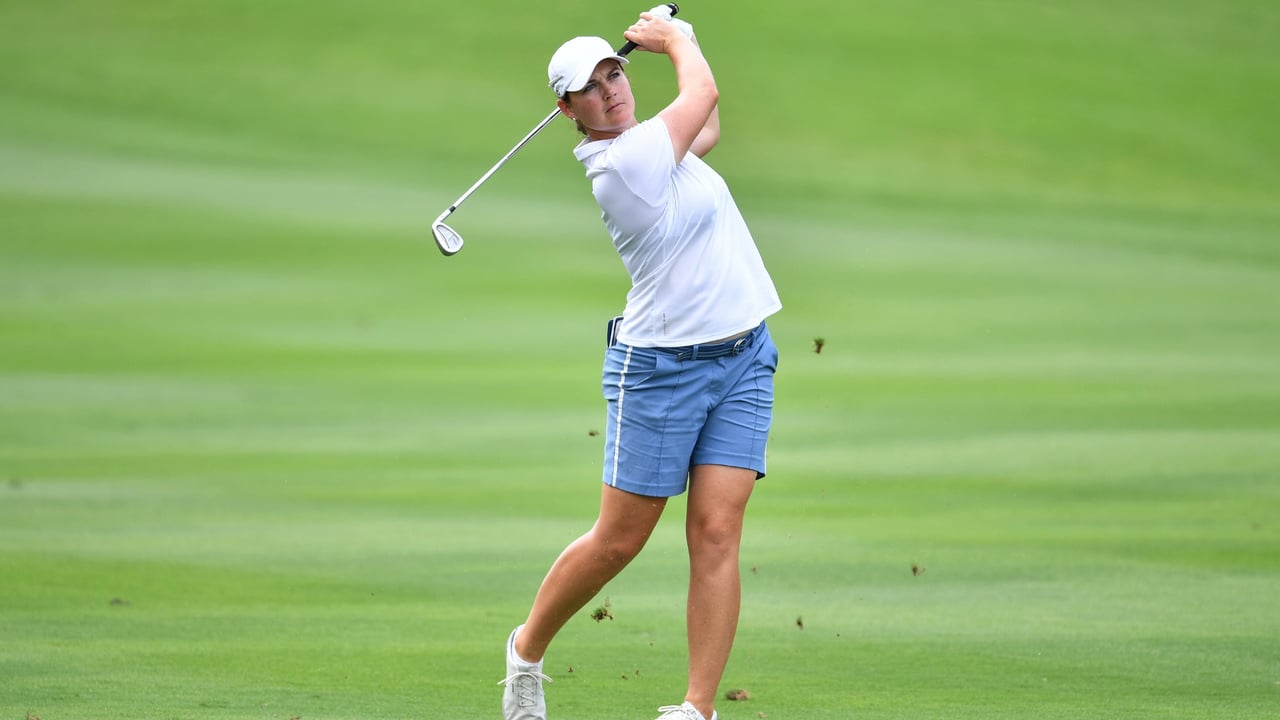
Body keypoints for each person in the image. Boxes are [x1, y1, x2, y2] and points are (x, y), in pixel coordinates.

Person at [500, 10, 782, 720]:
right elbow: (703, 98)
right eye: (591, 88)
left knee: (718, 532)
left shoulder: (653, 144)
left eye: (615, 72)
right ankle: (526, 650)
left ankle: (697, 708)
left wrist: (686, 46)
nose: (611, 90)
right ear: (568, 110)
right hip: (661, 370)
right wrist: (675, 38)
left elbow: (704, 121)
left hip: (744, 354)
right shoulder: (622, 166)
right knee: (621, 539)